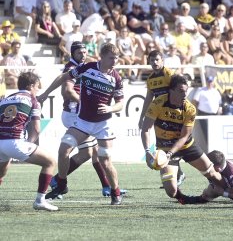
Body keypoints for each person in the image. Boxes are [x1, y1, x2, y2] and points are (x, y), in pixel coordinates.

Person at [37, 43, 124, 205]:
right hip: (83, 121)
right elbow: (64, 77)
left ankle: (115, 191)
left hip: (103, 124)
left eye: (116, 58)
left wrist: (110, 108)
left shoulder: (117, 78)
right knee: (64, 148)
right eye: (111, 58)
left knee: (105, 159)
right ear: (102, 57)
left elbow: (120, 103)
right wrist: (45, 93)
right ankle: (62, 184)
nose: (114, 61)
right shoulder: (88, 68)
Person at [140, 74, 223, 202]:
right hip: (164, 147)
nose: (185, 95)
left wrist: (170, 154)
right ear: (171, 90)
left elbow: (184, 136)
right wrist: (147, 151)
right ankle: (185, 199)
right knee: (171, 191)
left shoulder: (190, 109)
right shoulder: (157, 103)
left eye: (186, 91)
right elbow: (146, 129)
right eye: (181, 91)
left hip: (186, 146)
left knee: (212, 174)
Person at [0, 72, 58, 211]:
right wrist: (28, 144)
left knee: (2, 171)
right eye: (37, 86)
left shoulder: (6, 99)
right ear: (31, 85)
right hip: (14, 142)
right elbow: (36, 129)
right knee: (50, 162)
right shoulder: (33, 100)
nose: (38, 89)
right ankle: (40, 201)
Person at [138, 50, 186, 186]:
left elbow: (181, 90)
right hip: (159, 115)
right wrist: (142, 116)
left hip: (174, 115)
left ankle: (178, 174)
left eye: (157, 60)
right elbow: (148, 99)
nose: (154, 62)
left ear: (162, 61)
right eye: (152, 60)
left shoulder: (169, 75)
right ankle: (177, 175)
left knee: (174, 144)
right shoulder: (150, 79)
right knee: (164, 145)